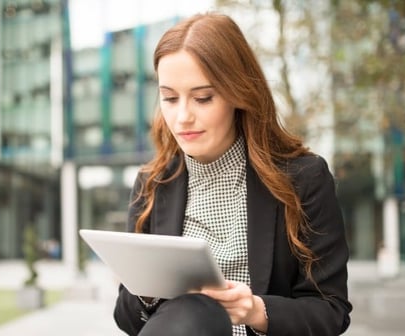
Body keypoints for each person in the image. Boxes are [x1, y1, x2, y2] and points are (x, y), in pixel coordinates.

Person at [113, 12, 352, 336]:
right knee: (187, 313)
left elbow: (331, 312)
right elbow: (128, 321)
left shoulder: (303, 179)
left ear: (238, 93)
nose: (182, 116)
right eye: (169, 98)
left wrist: (256, 311)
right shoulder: (151, 184)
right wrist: (147, 288)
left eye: (203, 98)